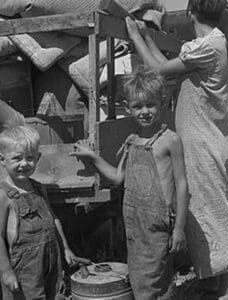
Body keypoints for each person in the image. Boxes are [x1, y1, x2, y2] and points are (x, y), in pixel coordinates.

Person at [125, 0, 228, 299]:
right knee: (200, 212)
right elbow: (166, 68)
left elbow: (159, 71)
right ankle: (211, 282)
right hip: (203, 140)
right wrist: (148, 37)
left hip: (204, 142)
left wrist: (136, 37)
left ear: (190, 13)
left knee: (214, 215)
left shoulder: (207, 45)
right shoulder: (210, 43)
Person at [70, 67, 189, 300]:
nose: (145, 111)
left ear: (162, 103)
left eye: (151, 105)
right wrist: (92, 157)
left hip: (158, 222)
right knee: (141, 279)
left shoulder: (170, 141)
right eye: (137, 106)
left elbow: (182, 185)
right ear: (128, 108)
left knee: (152, 282)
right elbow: (117, 178)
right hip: (134, 222)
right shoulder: (131, 141)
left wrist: (179, 228)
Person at [0, 125, 75, 299]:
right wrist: (6, 272)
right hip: (23, 271)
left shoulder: (39, 188)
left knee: (56, 294)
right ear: (2, 159)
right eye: (17, 158)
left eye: (30, 158)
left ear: (38, 158)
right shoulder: (4, 195)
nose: (24, 163)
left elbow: (54, 220)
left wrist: (66, 248)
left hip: (51, 264)